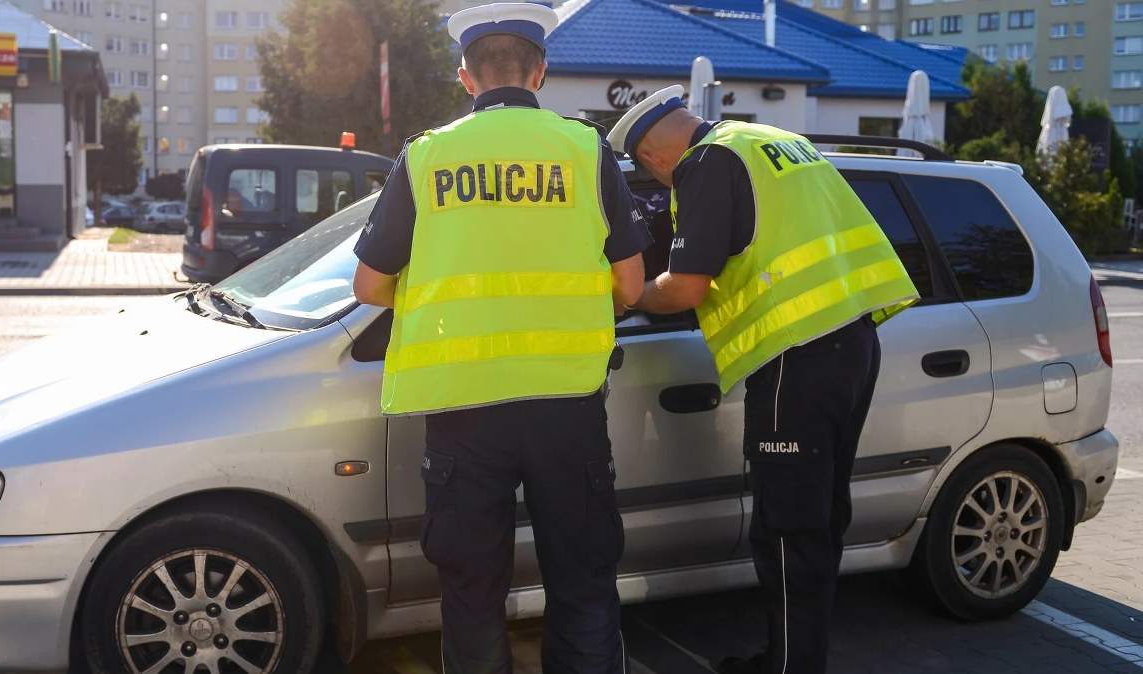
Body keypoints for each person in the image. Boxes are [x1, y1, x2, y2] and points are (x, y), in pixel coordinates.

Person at [351, 4, 651, 672]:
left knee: (471, 592)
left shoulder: (427, 155)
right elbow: (631, 286)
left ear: (466, 78)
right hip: (567, 403)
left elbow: (369, 286)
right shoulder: (584, 149)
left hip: (463, 408)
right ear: (539, 73)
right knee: (582, 581)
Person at [606, 87, 919, 674]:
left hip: (794, 358)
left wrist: (627, 295)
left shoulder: (705, 162)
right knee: (819, 521)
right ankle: (793, 657)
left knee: (787, 530)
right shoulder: (775, 140)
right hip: (852, 341)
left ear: (651, 156)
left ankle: (791, 666)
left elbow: (686, 287)